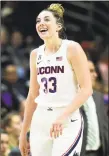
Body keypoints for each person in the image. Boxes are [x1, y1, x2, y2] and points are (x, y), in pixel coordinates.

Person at [19, 3, 92, 156]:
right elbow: (33, 95)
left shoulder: (72, 48)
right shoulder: (35, 54)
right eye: (38, 21)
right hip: (41, 118)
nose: (41, 23)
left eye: (46, 19)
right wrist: (23, 131)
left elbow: (86, 89)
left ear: (58, 26)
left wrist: (63, 116)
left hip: (67, 119)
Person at [80, 60, 109, 156]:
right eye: (91, 71)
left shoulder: (98, 97)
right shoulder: (69, 99)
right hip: (82, 152)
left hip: (99, 152)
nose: (95, 75)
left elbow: (104, 127)